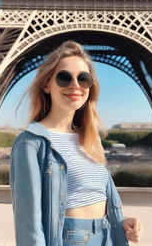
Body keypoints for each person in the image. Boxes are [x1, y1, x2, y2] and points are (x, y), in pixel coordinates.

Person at [9, 40, 143, 246]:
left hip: (106, 237)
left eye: (84, 78)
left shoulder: (89, 139)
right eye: (64, 78)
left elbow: (96, 195)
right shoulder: (31, 143)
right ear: (46, 85)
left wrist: (122, 223)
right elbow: (30, 225)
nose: (75, 85)